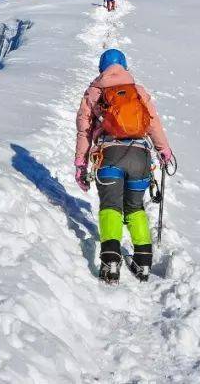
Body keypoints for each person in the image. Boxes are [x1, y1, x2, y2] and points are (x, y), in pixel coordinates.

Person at [75, 48, 173, 283]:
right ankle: (143, 262)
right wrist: (165, 152)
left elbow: (84, 130)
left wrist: (80, 164)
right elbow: (153, 124)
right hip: (140, 157)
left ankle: (110, 261)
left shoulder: (94, 93)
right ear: (125, 66)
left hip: (109, 155)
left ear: (101, 68)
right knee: (135, 207)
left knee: (111, 206)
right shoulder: (138, 92)